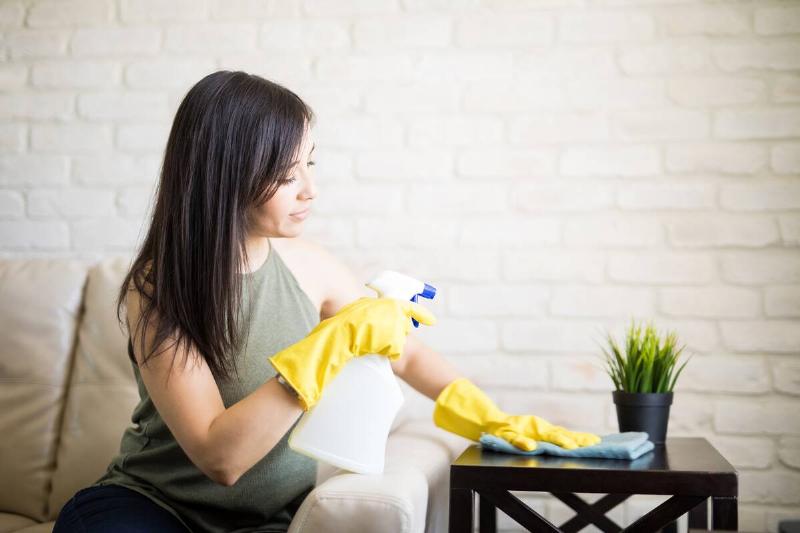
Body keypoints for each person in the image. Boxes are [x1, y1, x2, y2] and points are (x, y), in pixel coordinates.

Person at [53, 70, 600, 533]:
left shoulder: (309, 265)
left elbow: (402, 352)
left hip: (267, 518)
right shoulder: (160, 291)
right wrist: (329, 345)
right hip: (148, 510)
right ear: (225, 176)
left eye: (310, 164)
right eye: (286, 174)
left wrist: (494, 420)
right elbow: (221, 458)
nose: (309, 190)